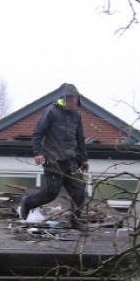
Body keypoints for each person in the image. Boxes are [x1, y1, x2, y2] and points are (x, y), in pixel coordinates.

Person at [19, 83, 89, 231]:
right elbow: (37, 133)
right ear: (66, 99)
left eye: (76, 100)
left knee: (80, 189)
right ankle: (28, 202)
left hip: (70, 158)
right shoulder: (51, 112)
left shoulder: (77, 115)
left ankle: (76, 221)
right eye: (72, 100)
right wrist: (37, 153)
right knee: (52, 193)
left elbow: (80, 138)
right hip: (51, 157)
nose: (74, 103)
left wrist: (83, 159)